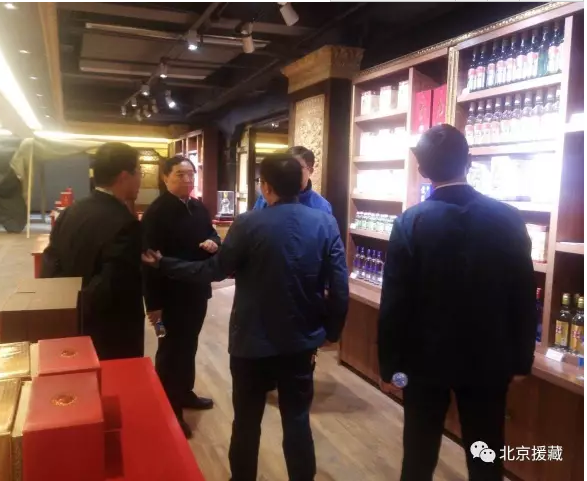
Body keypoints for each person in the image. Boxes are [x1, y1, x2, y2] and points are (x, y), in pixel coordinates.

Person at [143, 153, 349, 481]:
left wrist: (164, 263)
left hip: (251, 340)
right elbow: (339, 285)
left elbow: (214, 270)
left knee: (246, 423)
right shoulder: (324, 222)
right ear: (300, 182)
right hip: (300, 340)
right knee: (297, 421)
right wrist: (332, 332)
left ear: (265, 187)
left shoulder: (249, 222)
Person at [377, 124, 537, 481]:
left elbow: (395, 304)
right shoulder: (508, 218)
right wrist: (521, 359)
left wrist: (391, 369)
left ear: (422, 169)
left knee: (418, 454)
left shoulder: (410, 222)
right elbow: (524, 295)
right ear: (469, 160)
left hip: (423, 360)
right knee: (485, 455)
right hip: (489, 358)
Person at [141, 155, 221, 439]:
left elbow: (212, 232)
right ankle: (169, 410)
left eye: (191, 174)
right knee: (169, 352)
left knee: (189, 345)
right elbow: (148, 262)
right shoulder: (156, 213)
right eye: (179, 174)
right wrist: (154, 306)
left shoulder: (198, 207)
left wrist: (214, 241)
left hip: (196, 291)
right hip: (167, 299)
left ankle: (185, 393)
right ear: (165, 177)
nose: (187, 179)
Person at [41, 142, 144, 360]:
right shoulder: (125, 224)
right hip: (110, 332)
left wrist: (69, 307)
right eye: (139, 171)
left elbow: (50, 261)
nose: (140, 179)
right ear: (124, 176)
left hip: (67, 320)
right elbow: (112, 285)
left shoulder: (71, 211)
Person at [253, 146, 332, 214]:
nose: (291, 172)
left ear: (310, 170)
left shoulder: (321, 205)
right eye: (288, 167)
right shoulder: (265, 199)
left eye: (297, 167)